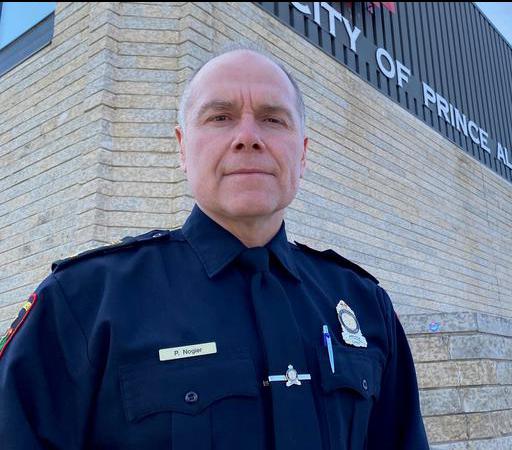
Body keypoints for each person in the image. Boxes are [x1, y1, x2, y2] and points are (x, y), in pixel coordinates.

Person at [0, 46, 429, 450]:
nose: (248, 137)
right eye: (220, 117)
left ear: (302, 154)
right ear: (182, 147)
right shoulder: (82, 303)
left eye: (273, 119)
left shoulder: (365, 306)